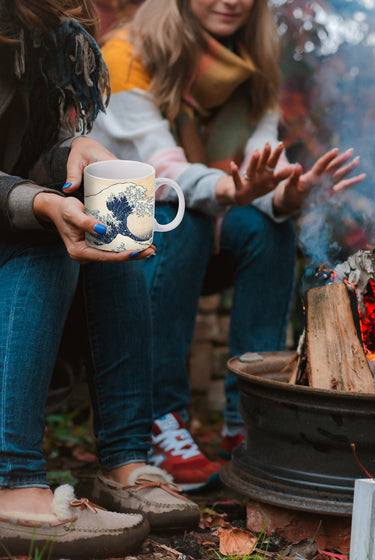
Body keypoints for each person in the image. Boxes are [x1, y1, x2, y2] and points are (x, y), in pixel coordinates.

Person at [88, 0, 365, 491]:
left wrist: (288, 194)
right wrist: (235, 192)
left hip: (203, 221)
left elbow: (256, 178)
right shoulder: (126, 55)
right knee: (186, 216)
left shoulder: (254, 71)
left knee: (270, 227)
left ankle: (249, 420)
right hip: (117, 226)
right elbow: (164, 176)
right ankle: (160, 419)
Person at [0, 0, 199, 557]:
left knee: (111, 239)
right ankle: (11, 482)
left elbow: (26, 157)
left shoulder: (51, 43)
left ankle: (124, 460)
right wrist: (36, 201)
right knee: (50, 240)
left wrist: (73, 150)